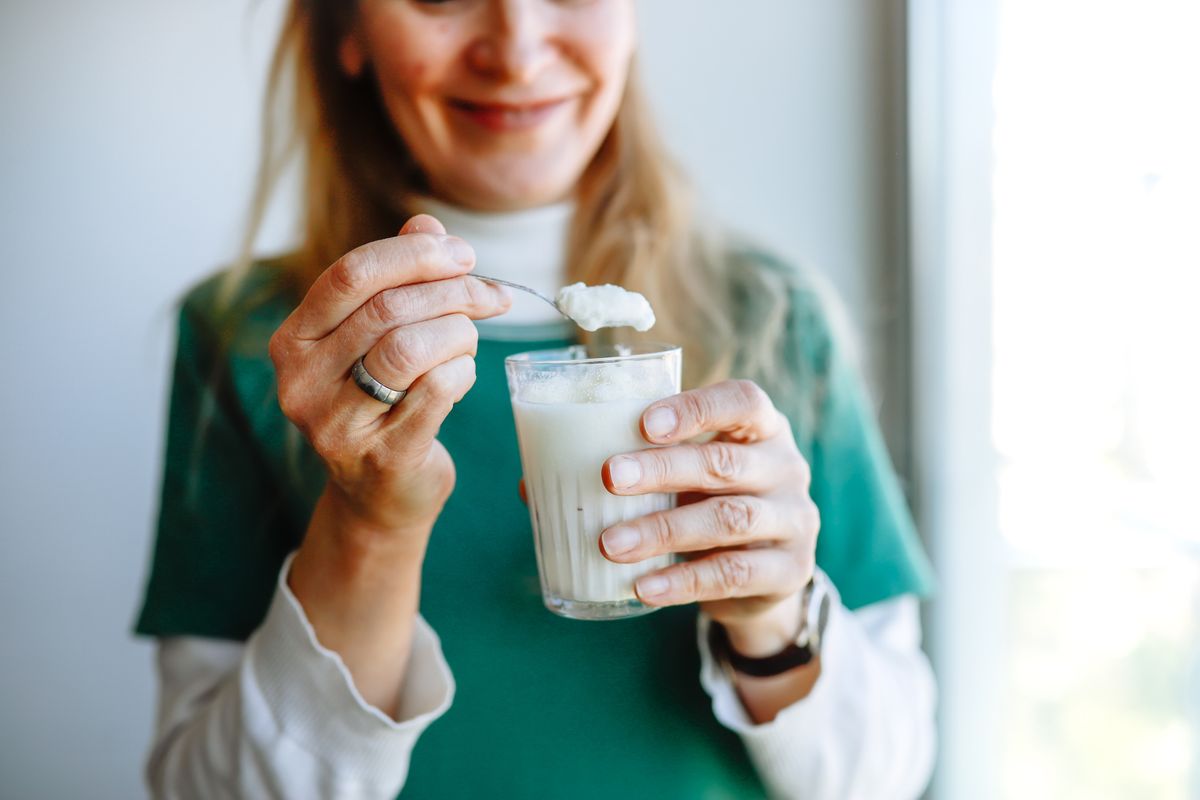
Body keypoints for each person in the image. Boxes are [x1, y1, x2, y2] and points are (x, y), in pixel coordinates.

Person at [134, 1, 937, 797]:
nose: (516, 49)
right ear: (348, 30)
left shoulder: (775, 318)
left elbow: (883, 781)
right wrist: (367, 523)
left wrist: (772, 620)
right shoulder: (259, 342)